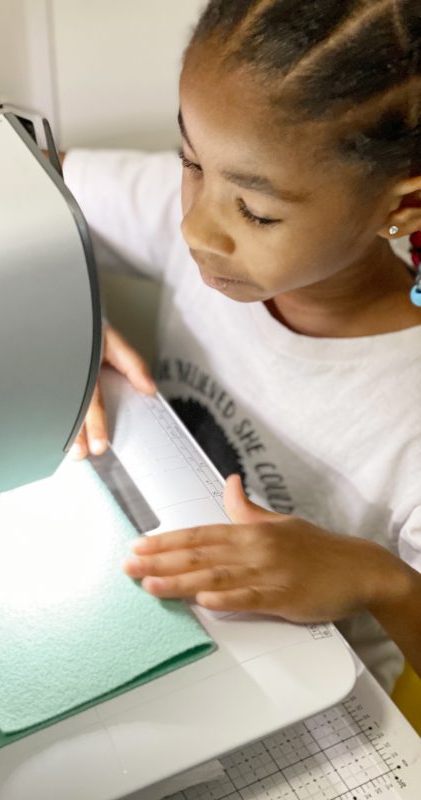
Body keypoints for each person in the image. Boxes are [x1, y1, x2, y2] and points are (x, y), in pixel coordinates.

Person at [64, 0, 421, 693]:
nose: (197, 227)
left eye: (257, 212)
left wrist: (378, 580)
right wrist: (51, 312)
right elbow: (22, 182)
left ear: (403, 209)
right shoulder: (194, 216)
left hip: (320, 698)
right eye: (190, 162)